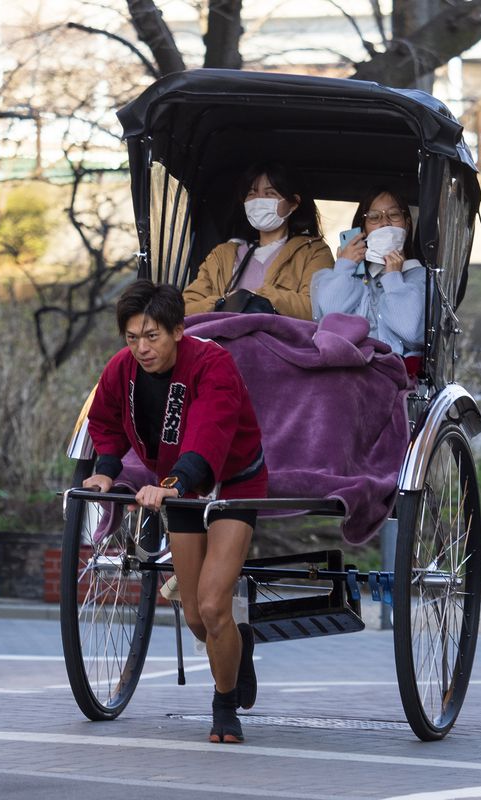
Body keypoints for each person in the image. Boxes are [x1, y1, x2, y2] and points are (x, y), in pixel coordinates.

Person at [84, 279, 268, 744]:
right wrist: (106, 470)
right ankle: (238, 645)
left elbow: (211, 430)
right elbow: (103, 420)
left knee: (212, 603)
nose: (141, 348)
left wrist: (171, 484)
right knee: (194, 618)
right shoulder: (121, 370)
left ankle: (224, 704)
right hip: (179, 492)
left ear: (178, 331)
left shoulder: (212, 364)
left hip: (231, 482)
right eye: (131, 338)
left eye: (152, 337)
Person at [183, 162, 333, 320]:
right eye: (252, 194)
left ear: (293, 203)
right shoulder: (221, 255)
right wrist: (222, 303)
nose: (259, 200)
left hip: (278, 343)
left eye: (270, 194)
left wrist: (260, 298)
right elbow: (186, 307)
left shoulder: (314, 252)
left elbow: (317, 309)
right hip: (221, 342)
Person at [310, 188, 426, 367]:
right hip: (348, 371)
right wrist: (344, 265)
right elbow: (329, 315)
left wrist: (393, 277)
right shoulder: (352, 277)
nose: (384, 223)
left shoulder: (420, 277)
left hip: (397, 376)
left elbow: (411, 332)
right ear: (363, 229)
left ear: (407, 225)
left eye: (394, 215)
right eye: (374, 217)